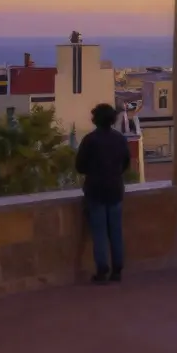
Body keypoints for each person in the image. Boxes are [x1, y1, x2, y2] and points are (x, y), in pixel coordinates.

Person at [75, 103, 131, 284]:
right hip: (115, 188)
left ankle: (102, 268)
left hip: (96, 190)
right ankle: (117, 268)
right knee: (115, 230)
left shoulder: (90, 140)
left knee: (99, 231)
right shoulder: (120, 139)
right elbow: (126, 163)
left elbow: (80, 166)